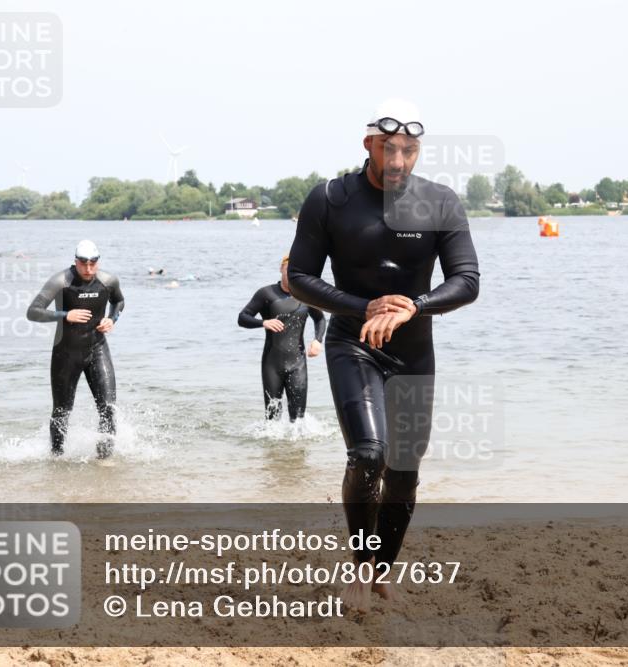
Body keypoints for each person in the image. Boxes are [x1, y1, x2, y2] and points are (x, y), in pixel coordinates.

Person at [287, 99, 480, 610]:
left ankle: (381, 570)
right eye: (388, 149)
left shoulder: (439, 201)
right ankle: (359, 568)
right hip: (353, 342)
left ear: (418, 152)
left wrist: (413, 306)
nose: (398, 161)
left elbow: (467, 281)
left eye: (409, 151)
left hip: (413, 350)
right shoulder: (329, 198)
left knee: (405, 466)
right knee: (369, 453)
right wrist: (363, 305)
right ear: (368, 145)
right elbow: (300, 278)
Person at [26, 240, 125, 458]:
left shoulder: (108, 280)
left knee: (108, 408)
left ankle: (104, 459)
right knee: (61, 412)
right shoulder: (60, 281)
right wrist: (65, 315)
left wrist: (112, 319)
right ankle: (56, 457)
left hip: (97, 349)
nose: (88, 269)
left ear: (98, 261)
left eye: (93, 263)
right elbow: (32, 311)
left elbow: (118, 302)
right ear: (75, 261)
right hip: (66, 354)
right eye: (83, 263)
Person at [238, 255, 325, 421]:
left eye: (294, 271)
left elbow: (320, 318)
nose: (290, 274)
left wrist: (317, 340)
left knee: (299, 419)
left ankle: (296, 448)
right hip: (272, 364)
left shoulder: (306, 295)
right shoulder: (266, 293)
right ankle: (274, 448)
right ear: (281, 269)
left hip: (298, 364)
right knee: (272, 418)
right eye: (287, 269)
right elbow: (243, 317)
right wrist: (263, 322)